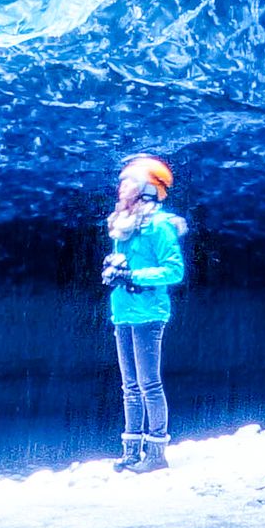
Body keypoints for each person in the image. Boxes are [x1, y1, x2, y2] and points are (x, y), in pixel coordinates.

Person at [102, 155, 186, 472]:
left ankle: (156, 454)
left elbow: (174, 270)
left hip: (149, 313)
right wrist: (115, 272)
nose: (121, 187)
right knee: (130, 386)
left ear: (145, 188)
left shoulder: (159, 227)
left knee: (149, 384)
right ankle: (131, 450)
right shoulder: (122, 226)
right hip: (123, 311)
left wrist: (134, 277)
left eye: (128, 182)